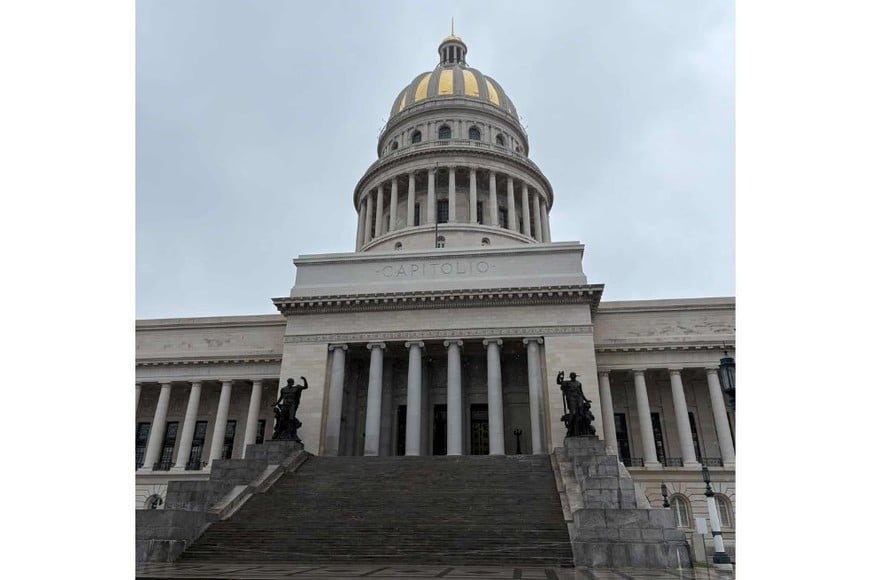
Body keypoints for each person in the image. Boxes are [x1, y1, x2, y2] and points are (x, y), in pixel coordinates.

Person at [273, 376, 308, 441]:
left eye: (292, 382)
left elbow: (305, 387)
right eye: (291, 382)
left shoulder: (296, 388)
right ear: (288, 382)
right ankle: (278, 433)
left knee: (291, 419)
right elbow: (281, 398)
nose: (292, 383)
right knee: (282, 419)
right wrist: (275, 403)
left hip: (292, 404)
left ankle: (289, 433)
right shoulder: (283, 389)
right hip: (285, 404)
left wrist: (304, 380)